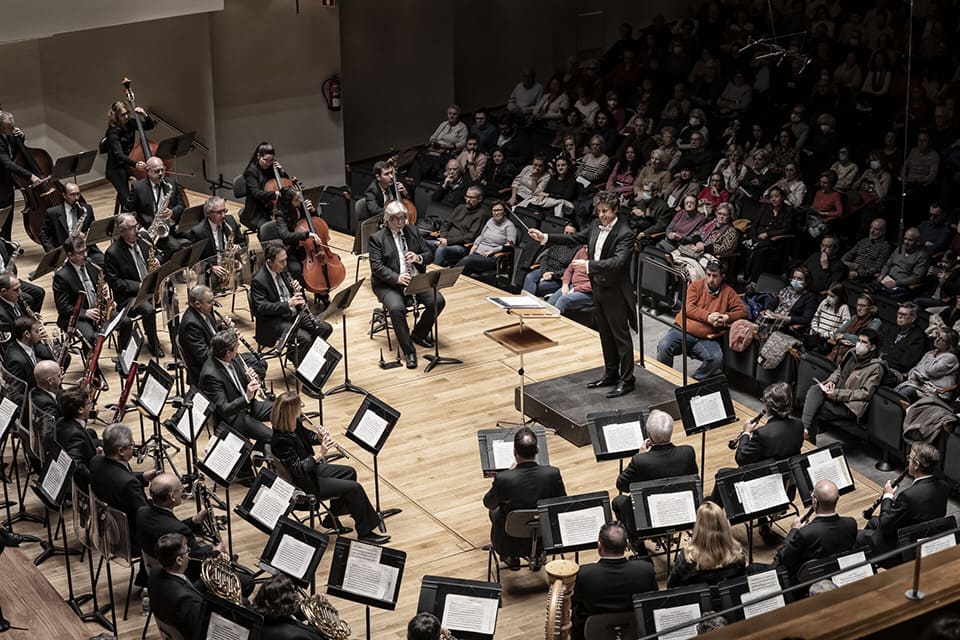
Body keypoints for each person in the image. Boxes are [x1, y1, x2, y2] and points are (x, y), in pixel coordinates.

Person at [529, 191, 637, 397]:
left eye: (605, 211)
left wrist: (588, 265)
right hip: (598, 289)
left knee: (620, 337)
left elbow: (617, 262)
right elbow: (575, 238)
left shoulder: (625, 233)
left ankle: (627, 379)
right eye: (599, 211)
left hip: (614, 292)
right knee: (604, 333)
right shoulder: (596, 225)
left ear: (615, 210)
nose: (602, 215)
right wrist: (545, 237)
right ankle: (611, 373)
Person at [270, 392, 389, 544]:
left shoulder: (293, 423)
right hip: (304, 483)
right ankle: (365, 533)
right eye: (300, 406)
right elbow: (298, 469)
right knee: (354, 488)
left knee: (349, 472)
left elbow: (307, 437)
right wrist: (320, 455)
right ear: (291, 411)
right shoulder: (281, 440)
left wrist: (318, 438)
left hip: (310, 472)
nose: (302, 408)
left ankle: (331, 519)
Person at [368, 201, 445, 370]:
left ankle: (419, 334)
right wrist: (397, 278)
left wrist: (418, 258)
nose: (401, 222)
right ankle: (408, 350)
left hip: (415, 279)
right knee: (396, 308)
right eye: (396, 219)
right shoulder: (377, 238)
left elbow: (429, 254)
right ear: (388, 219)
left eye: (403, 218)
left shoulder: (412, 231)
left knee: (438, 300)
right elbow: (377, 267)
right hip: (389, 284)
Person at [249, 243, 331, 396]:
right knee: (304, 339)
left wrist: (296, 289)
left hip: (295, 313)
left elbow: (291, 293)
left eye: (286, 260)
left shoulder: (283, 269)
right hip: (274, 320)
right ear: (269, 262)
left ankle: (298, 356)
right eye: (281, 261)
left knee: (325, 328)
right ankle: (307, 382)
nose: (285, 264)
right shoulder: (258, 280)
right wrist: (287, 304)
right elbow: (261, 308)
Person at [483, 426, 565, 568]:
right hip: (545, 540)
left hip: (509, 543)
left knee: (494, 511)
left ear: (514, 452)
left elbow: (489, 503)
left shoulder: (504, 479)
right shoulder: (552, 474)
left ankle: (511, 556)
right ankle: (538, 554)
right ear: (538, 450)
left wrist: (508, 473)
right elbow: (562, 503)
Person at [611, 409, 698, 537]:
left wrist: (640, 455)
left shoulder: (640, 460)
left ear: (649, 435)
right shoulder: (688, 452)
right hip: (681, 511)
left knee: (618, 501)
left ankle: (639, 546)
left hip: (652, 517)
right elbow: (694, 478)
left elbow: (622, 485)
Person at [656, 261, 747, 381]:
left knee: (716, 358)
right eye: (708, 275)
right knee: (664, 346)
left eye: (715, 276)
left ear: (722, 277)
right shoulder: (696, 286)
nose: (710, 279)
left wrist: (726, 317)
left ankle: (693, 382)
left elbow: (742, 312)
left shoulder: (728, 292)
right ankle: (664, 379)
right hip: (683, 330)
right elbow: (688, 308)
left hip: (706, 338)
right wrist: (708, 317)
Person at [857, 442, 948, 555]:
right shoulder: (943, 486)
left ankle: (867, 558)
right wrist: (898, 506)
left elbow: (884, 525)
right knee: (872, 521)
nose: (908, 461)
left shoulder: (908, 496)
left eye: (909, 458)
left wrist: (888, 497)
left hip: (904, 544)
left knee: (859, 536)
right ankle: (869, 553)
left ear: (916, 465)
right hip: (923, 532)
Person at [571, 522, 658, 640]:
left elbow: (572, 604)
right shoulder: (645, 569)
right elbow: (653, 602)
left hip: (594, 634)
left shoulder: (584, 574)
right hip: (634, 633)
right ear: (627, 544)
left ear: (599, 547)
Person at [801, 328, 886, 444]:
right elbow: (838, 371)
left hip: (849, 405)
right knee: (815, 389)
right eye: (859, 340)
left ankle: (806, 438)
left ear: (872, 347)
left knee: (815, 407)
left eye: (864, 342)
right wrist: (831, 381)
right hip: (835, 395)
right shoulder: (851, 353)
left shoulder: (876, 367)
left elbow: (865, 393)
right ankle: (805, 431)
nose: (860, 344)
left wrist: (837, 394)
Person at [90, 424, 158, 561]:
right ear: (120, 451)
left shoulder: (95, 462)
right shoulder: (128, 484)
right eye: (131, 445)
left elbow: (115, 479)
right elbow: (144, 516)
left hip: (107, 531)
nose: (133, 448)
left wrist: (142, 476)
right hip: (130, 540)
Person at [178, 285, 266, 389]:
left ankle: (247, 390)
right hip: (211, 367)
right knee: (257, 368)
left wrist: (224, 329)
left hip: (222, 355)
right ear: (197, 304)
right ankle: (241, 394)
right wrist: (230, 343)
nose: (213, 304)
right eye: (210, 302)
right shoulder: (191, 325)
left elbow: (213, 334)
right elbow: (204, 356)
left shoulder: (204, 312)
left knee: (261, 363)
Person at [199, 330, 274, 450]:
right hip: (236, 416)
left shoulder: (230, 357)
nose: (238, 349)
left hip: (249, 404)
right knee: (271, 437)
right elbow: (224, 410)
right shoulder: (211, 375)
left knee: (283, 411)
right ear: (228, 353)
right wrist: (247, 397)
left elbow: (240, 383)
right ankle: (254, 453)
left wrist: (251, 380)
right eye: (236, 347)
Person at [136, 473, 225, 573]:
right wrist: (217, 552)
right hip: (180, 574)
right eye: (180, 489)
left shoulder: (142, 511)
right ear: (172, 496)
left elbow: (169, 529)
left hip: (152, 569)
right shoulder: (178, 529)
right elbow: (199, 560)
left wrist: (194, 520)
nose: (183, 491)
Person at [103, 213, 163, 356]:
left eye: (136, 226)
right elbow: (115, 282)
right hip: (129, 296)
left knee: (172, 296)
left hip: (150, 288)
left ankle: (175, 344)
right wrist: (140, 286)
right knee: (148, 310)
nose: (136, 230)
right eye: (132, 228)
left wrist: (158, 261)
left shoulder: (144, 239)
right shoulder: (112, 253)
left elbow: (160, 253)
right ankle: (153, 343)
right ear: (122, 231)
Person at [773, 479, 857, 580]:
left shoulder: (805, 533)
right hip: (838, 573)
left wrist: (793, 530)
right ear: (838, 499)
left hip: (807, 579)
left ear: (815, 501)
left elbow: (784, 559)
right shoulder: (851, 523)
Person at [53, 236, 128, 350]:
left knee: (125, 322)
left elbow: (96, 289)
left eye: (85, 250)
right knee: (91, 337)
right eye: (80, 253)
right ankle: (93, 367)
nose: (85, 255)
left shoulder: (91, 265)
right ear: (70, 255)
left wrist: (104, 295)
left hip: (98, 310)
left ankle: (123, 356)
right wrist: (85, 313)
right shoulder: (62, 276)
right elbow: (62, 307)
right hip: (77, 316)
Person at [667, 501, 746, 587]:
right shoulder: (738, 557)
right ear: (724, 525)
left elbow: (671, 586)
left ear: (698, 528)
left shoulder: (687, 562)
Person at [124, 156, 188, 257]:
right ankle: (161, 262)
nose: (161, 174)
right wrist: (140, 228)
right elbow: (128, 212)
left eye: (162, 170)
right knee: (175, 248)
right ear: (148, 171)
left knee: (197, 235)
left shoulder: (171, 183)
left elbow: (181, 205)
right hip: (153, 230)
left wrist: (172, 212)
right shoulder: (138, 188)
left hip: (172, 224)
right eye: (157, 171)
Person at [148, 533, 205, 640]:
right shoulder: (188, 602)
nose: (189, 552)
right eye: (187, 550)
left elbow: (184, 588)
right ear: (179, 560)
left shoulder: (154, 572)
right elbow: (199, 634)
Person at [101, 101, 153, 211]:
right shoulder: (112, 132)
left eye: (127, 113)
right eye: (122, 115)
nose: (126, 116)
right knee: (127, 201)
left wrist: (144, 114)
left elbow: (149, 126)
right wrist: (135, 164)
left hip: (127, 164)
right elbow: (119, 155)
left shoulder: (131, 123)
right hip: (116, 169)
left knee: (142, 188)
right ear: (116, 116)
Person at [187, 195, 245, 289]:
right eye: (219, 212)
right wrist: (211, 267)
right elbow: (192, 260)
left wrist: (238, 246)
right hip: (212, 270)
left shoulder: (229, 221)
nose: (223, 215)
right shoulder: (198, 232)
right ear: (209, 213)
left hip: (230, 267)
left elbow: (243, 242)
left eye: (224, 211)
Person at [40, 182, 103, 266]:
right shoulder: (53, 213)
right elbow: (43, 235)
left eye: (78, 194)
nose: (76, 198)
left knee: (106, 263)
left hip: (86, 249)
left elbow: (92, 230)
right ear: (64, 195)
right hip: (66, 252)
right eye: (72, 195)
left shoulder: (86, 209)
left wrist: (85, 235)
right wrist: (53, 254)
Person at [273, 186, 324, 284]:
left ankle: (322, 293)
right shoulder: (280, 215)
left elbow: (316, 223)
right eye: (296, 200)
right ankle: (301, 293)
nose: (300, 201)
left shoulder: (301, 207)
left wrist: (313, 212)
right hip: (294, 248)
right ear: (288, 203)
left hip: (310, 246)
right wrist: (307, 234)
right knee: (296, 269)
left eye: (299, 198)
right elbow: (285, 236)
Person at [252, 573, 328, 639]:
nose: (297, 595)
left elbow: (284, 614)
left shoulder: (253, 614)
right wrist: (322, 618)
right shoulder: (298, 636)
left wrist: (309, 604)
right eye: (294, 591)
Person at [427, 185, 488, 266]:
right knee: (422, 242)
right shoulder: (460, 207)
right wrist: (444, 239)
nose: (468, 200)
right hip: (445, 241)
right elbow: (446, 224)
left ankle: (431, 274)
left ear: (479, 199)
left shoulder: (481, 214)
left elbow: (470, 236)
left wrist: (448, 242)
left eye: (472, 198)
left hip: (461, 246)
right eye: (467, 196)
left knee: (441, 249)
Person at [895, 328, 959, 403]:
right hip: (922, 386)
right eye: (938, 336)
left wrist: (920, 372)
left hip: (937, 392)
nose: (937, 339)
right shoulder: (930, 353)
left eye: (942, 339)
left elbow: (930, 371)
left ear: (949, 344)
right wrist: (918, 373)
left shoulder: (950, 358)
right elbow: (915, 369)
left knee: (906, 392)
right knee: (897, 389)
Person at [455, 200, 518, 276]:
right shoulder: (490, 221)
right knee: (465, 264)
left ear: (505, 212)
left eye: (499, 210)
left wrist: (493, 251)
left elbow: (510, 246)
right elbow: (481, 236)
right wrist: (475, 245)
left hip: (491, 258)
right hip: (477, 253)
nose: (496, 213)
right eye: (494, 210)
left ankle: (447, 278)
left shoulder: (509, 226)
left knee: (467, 260)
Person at [54, 387, 99, 491]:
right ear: (80, 409)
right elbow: (76, 465)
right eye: (89, 403)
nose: (91, 405)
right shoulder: (76, 435)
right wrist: (95, 478)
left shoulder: (61, 421)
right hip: (82, 486)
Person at [521, 223, 578, 297]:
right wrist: (545, 272)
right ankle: (526, 304)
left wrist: (553, 275)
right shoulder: (558, 242)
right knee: (529, 277)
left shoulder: (577, 249)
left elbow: (571, 270)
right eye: (566, 232)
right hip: (545, 269)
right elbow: (545, 258)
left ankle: (526, 304)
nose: (567, 235)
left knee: (537, 287)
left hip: (558, 277)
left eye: (571, 234)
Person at [880, 302, 928, 385]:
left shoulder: (918, 337)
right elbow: (881, 346)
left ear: (913, 318)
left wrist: (883, 359)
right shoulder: (892, 329)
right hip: (880, 364)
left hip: (895, 371)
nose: (899, 317)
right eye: (899, 313)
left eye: (904, 314)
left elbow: (905, 362)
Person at [241, 141, 285, 231]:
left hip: (270, 208)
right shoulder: (251, 172)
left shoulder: (271, 168)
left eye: (270, 160)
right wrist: (275, 194)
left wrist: (282, 172)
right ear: (258, 156)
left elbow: (285, 183)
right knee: (270, 229)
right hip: (256, 211)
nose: (268, 163)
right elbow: (256, 193)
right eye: (265, 160)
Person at [4, 315, 55, 389]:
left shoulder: (26, 344)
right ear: (27, 334)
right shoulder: (17, 362)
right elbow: (17, 393)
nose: (40, 333)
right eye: (37, 331)